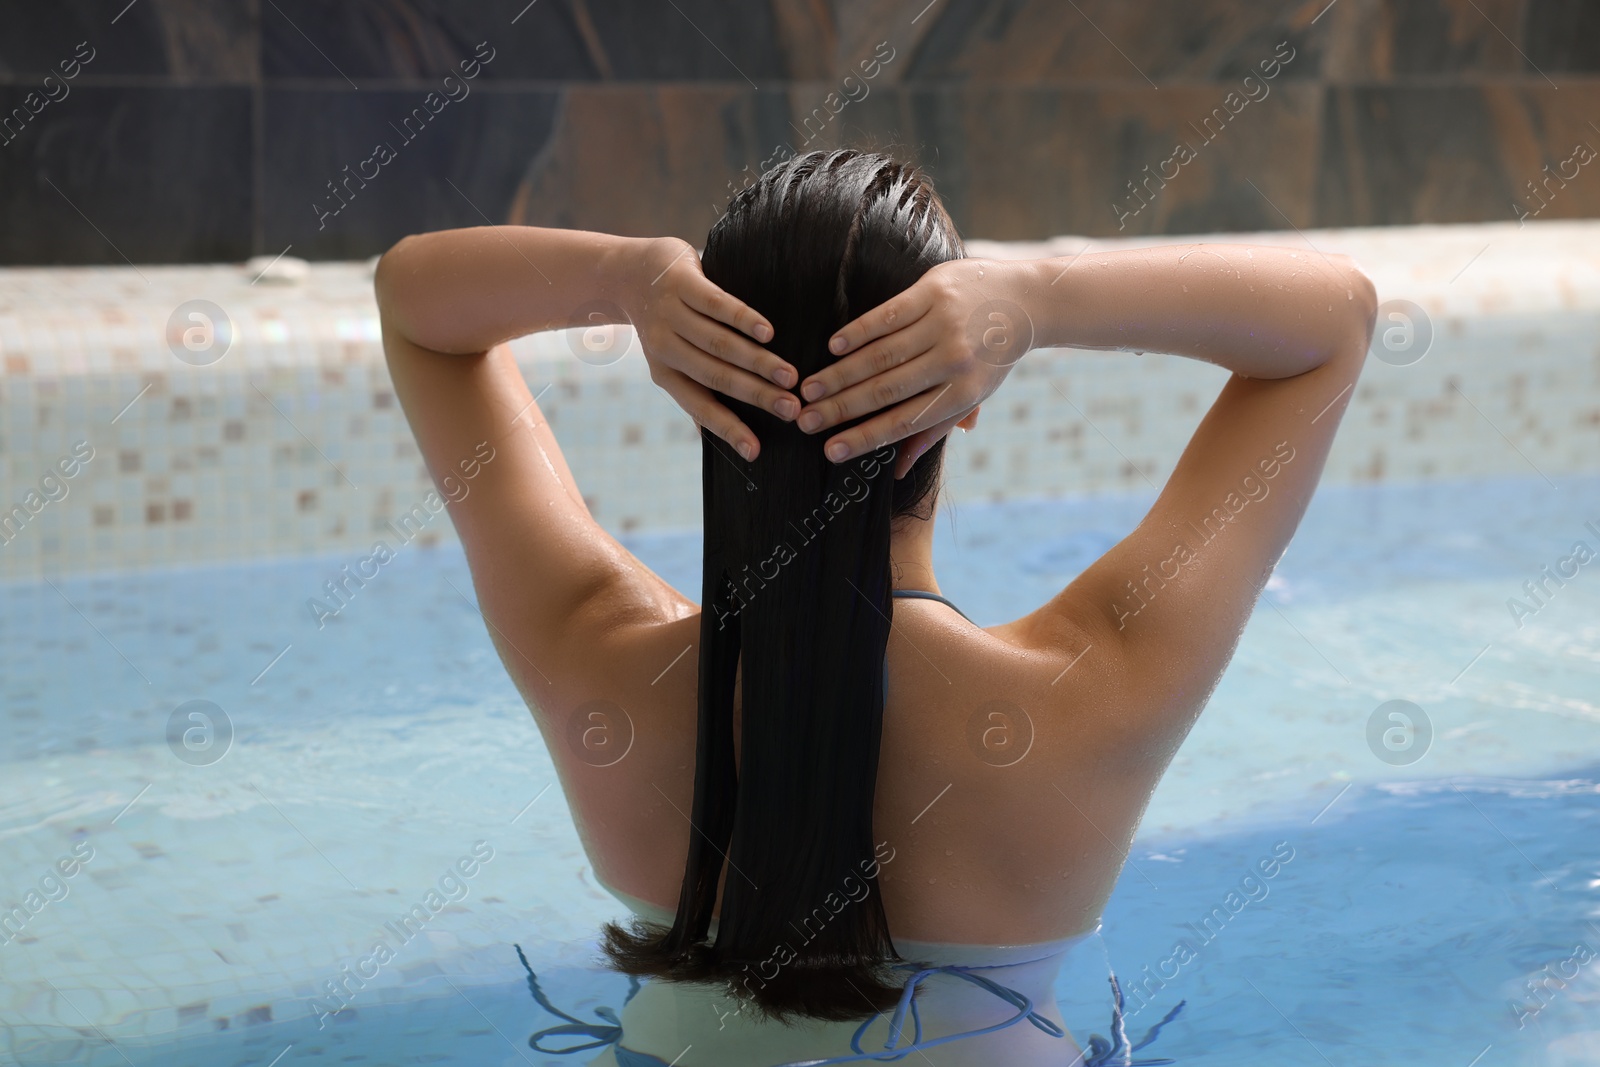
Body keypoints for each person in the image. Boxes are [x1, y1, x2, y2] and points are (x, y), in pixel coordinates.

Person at [374, 148, 1377, 1065]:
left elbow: (415, 300)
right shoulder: (1098, 686)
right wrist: (1033, 299)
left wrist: (627, 275)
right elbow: (1333, 321)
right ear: (966, 398)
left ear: (696, 392)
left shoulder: (592, 652)